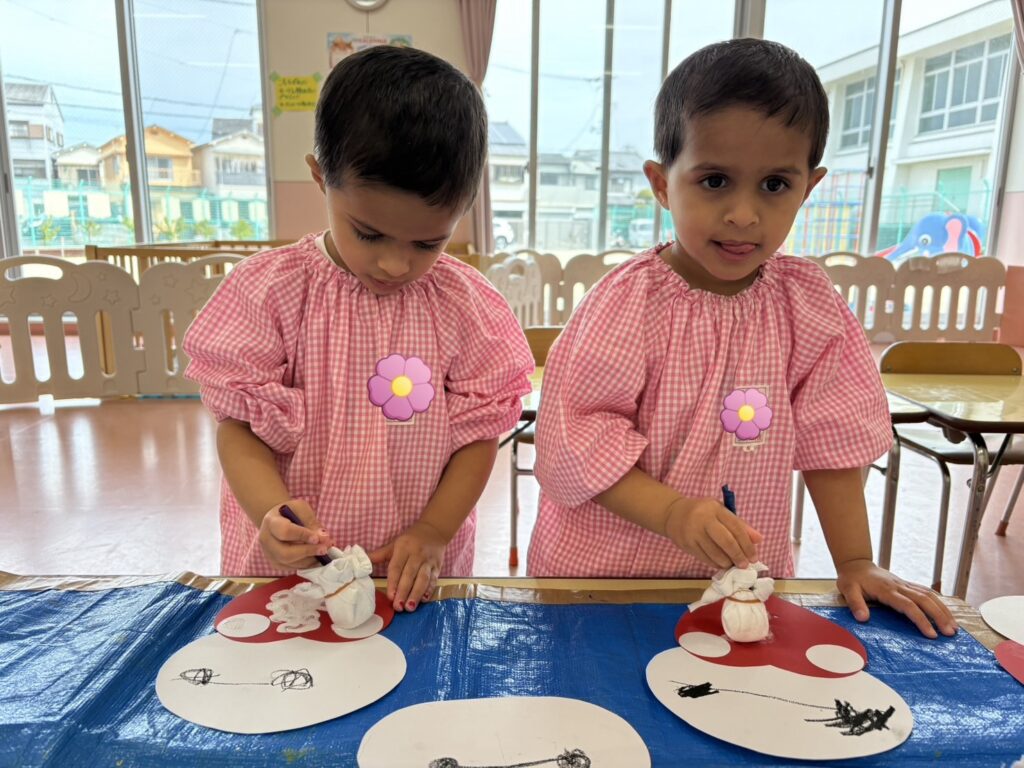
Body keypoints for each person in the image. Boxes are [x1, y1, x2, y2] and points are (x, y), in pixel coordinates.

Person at [528, 38, 956, 638]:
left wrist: (856, 561)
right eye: (715, 180)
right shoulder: (626, 303)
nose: (743, 214)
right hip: (601, 588)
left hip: (738, 592)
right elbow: (577, 441)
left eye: (774, 185)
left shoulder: (808, 305)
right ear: (661, 183)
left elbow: (833, 439)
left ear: (808, 187)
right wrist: (673, 512)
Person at [184, 45, 533, 613]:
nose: (395, 265)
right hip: (291, 572)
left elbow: (477, 437)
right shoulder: (271, 291)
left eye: (428, 242)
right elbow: (239, 427)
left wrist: (435, 529)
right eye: (369, 234)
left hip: (411, 571)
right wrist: (271, 514)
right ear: (321, 177)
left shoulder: (464, 306)